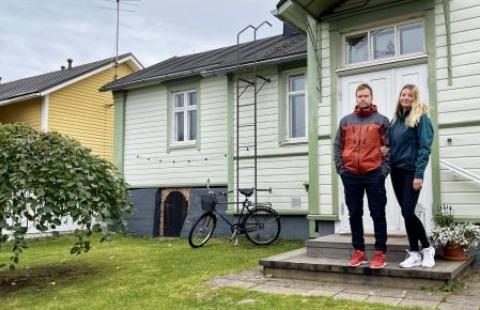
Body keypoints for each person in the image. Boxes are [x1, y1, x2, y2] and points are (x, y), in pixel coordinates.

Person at [334, 83, 391, 269]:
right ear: (356, 98)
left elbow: (389, 148)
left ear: (371, 97)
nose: (363, 99)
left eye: (366, 96)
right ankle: (359, 251)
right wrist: (340, 169)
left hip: (374, 174)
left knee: (377, 213)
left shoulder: (382, 120)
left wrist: (383, 172)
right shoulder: (345, 121)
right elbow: (337, 145)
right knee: (354, 214)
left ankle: (380, 253)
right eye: (360, 96)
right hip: (350, 174)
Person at [381, 84, 435, 268]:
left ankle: (427, 249)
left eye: (409, 95)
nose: (405, 98)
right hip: (396, 172)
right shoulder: (395, 122)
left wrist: (419, 174)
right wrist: (385, 150)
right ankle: (414, 253)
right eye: (403, 94)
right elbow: (392, 145)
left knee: (407, 211)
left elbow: (425, 148)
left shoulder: (421, 118)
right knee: (406, 214)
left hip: (412, 172)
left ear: (415, 98)